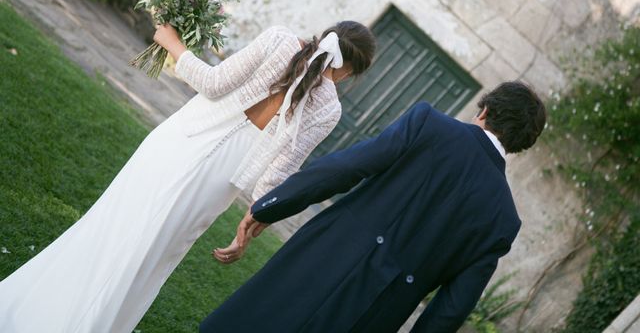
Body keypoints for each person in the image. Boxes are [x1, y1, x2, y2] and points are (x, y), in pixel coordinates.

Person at [0, 21, 376, 332]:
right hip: (221, 179)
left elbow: (212, 83)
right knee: (148, 260)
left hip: (181, 140)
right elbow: (278, 173)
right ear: (348, 71)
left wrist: (173, 44)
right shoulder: (330, 109)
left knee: (109, 227)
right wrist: (252, 220)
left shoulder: (279, 39)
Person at [201, 81, 546, 333]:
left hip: (327, 256)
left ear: (484, 111)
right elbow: (452, 308)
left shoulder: (430, 124)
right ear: (519, 145)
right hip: (377, 312)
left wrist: (270, 206)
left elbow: (347, 168)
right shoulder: (504, 220)